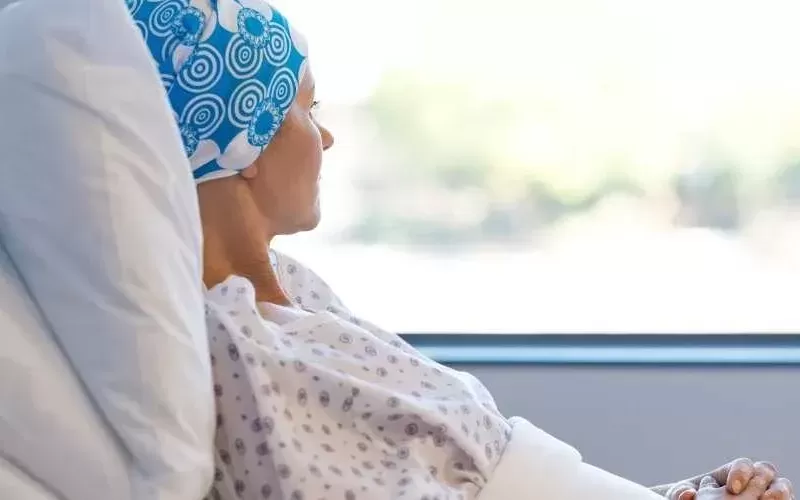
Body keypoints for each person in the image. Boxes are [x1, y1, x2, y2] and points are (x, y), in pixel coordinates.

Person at [128, 1, 795, 499]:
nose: (325, 138)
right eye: (308, 109)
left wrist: (680, 493)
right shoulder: (238, 348)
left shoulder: (296, 291)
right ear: (245, 135)